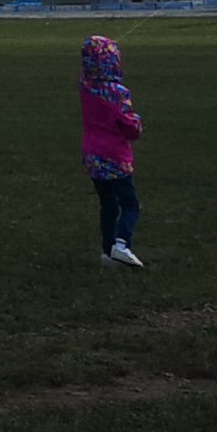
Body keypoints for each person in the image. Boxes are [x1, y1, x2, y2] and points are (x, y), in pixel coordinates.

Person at [81, 32, 143, 268]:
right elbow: (130, 128)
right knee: (130, 204)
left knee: (108, 204)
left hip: (92, 154)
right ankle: (121, 244)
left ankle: (107, 252)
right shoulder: (118, 93)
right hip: (115, 156)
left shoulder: (85, 87)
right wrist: (136, 122)